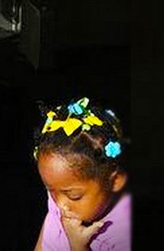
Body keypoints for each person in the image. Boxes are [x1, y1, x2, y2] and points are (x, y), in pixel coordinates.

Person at [33, 97, 130, 250]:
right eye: (50, 191)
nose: (60, 205)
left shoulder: (123, 232)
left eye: (74, 196)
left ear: (115, 180)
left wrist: (78, 246)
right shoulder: (61, 195)